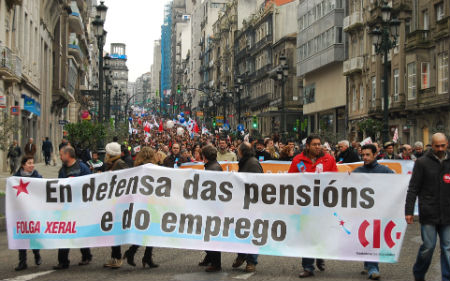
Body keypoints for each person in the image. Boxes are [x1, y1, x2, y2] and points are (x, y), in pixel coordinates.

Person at [288, 135, 338, 278]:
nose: (318, 147)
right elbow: (290, 179)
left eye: (319, 144)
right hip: (306, 205)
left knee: (320, 233)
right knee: (307, 235)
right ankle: (308, 267)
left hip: (323, 203)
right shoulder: (298, 160)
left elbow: (335, 179)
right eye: (315, 144)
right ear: (307, 146)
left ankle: (320, 255)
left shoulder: (329, 159)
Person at [405, 133, 450, 281]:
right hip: (429, 212)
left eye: (442, 145)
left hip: (447, 213)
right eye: (437, 146)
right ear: (431, 145)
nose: (440, 148)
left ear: (447, 144)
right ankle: (419, 273)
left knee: (447, 249)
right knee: (428, 247)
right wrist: (409, 211)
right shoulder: (422, 162)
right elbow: (413, 188)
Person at [353, 144, 394, 280]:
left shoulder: (386, 171)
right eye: (363, 155)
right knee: (367, 238)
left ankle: (372, 267)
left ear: (375, 155)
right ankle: (369, 264)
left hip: (379, 211)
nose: (364, 157)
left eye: (368, 155)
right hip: (362, 212)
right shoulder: (357, 171)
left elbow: (397, 184)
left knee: (373, 237)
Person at [54, 146, 92, 270]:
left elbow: (90, 184)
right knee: (65, 232)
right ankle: (63, 261)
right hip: (67, 207)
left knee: (80, 232)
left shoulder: (82, 168)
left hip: (80, 206)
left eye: (61, 154)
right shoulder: (62, 170)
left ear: (68, 155)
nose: (60, 157)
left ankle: (86, 256)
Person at [123, 147, 159, 269]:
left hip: (140, 203)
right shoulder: (153, 169)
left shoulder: (137, 169)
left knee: (146, 230)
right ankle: (138, 254)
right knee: (150, 230)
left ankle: (139, 254)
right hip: (149, 202)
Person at [232, 142, 263, 273]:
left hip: (252, 204)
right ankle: (242, 255)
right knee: (241, 230)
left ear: (241, 152)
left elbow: (256, 184)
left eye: (238, 150)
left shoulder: (253, 163)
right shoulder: (245, 162)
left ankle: (251, 261)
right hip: (243, 203)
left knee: (251, 232)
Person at [13, 155, 42, 271]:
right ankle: (22, 262)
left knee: (33, 235)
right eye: (29, 163)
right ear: (23, 165)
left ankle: (37, 254)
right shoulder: (15, 178)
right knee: (22, 236)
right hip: (21, 212)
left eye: (32, 163)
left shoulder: (37, 176)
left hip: (33, 212)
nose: (32, 165)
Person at [103, 142, 129, 269]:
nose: (106, 155)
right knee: (111, 232)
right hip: (110, 201)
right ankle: (114, 257)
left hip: (117, 203)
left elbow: (127, 178)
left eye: (107, 152)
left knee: (115, 232)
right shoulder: (110, 164)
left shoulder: (119, 163)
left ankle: (117, 257)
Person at [198, 145, 223, 272]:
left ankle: (216, 263)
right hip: (213, 207)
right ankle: (209, 258)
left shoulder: (212, 170)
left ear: (204, 157)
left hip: (212, 208)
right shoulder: (214, 166)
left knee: (210, 234)